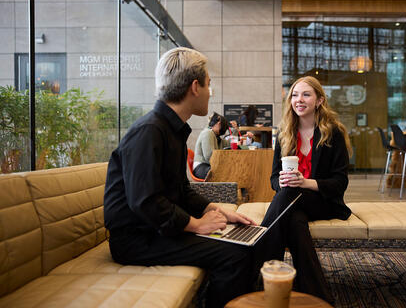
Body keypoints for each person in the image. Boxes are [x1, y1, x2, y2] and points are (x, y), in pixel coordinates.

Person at [103, 47, 257, 308]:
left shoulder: (169, 130)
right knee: (236, 254)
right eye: (209, 85)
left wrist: (216, 210)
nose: (211, 92)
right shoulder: (149, 131)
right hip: (136, 240)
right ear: (195, 87)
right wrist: (196, 225)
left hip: (154, 230)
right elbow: (146, 202)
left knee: (245, 241)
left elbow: (181, 190)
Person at [257, 76, 352, 304]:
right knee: (295, 221)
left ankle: (256, 270)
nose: (299, 100)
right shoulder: (285, 132)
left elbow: (340, 182)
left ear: (319, 100)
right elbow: (272, 178)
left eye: (306, 94)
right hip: (293, 203)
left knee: (289, 195)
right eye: (295, 95)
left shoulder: (333, 132)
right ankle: (316, 295)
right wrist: (280, 181)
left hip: (323, 202)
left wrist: (305, 183)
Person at [193, 112, 229, 179]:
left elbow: (228, 143)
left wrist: (235, 131)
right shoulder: (208, 133)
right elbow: (209, 156)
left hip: (206, 166)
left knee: (228, 170)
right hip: (201, 167)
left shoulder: (216, 136)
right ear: (219, 124)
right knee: (225, 172)